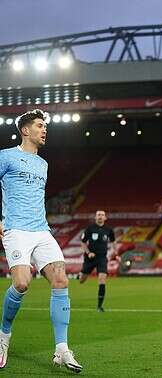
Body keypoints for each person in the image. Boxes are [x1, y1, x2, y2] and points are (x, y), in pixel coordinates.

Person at [0, 109, 82, 372]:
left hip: (41, 231)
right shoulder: (6, 156)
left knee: (61, 279)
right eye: (39, 125)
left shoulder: (43, 164)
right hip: (16, 230)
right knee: (22, 284)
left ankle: (62, 350)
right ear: (25, 130)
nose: (44, 130)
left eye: (45, 126)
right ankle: (3, 336)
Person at [78, 210, 116, 312]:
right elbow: (83, 242)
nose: (100, 216)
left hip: (102, 258)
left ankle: (99, 306)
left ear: (105, 218)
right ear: (95, 217)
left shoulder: (109, 230)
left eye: (102, 215)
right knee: (82, 280)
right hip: (90, 258)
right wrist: (88, 252)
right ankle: (81, 274)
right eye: (98, 215)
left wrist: (115, 254)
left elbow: (113, 242)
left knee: (102, 279)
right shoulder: (90, 228)